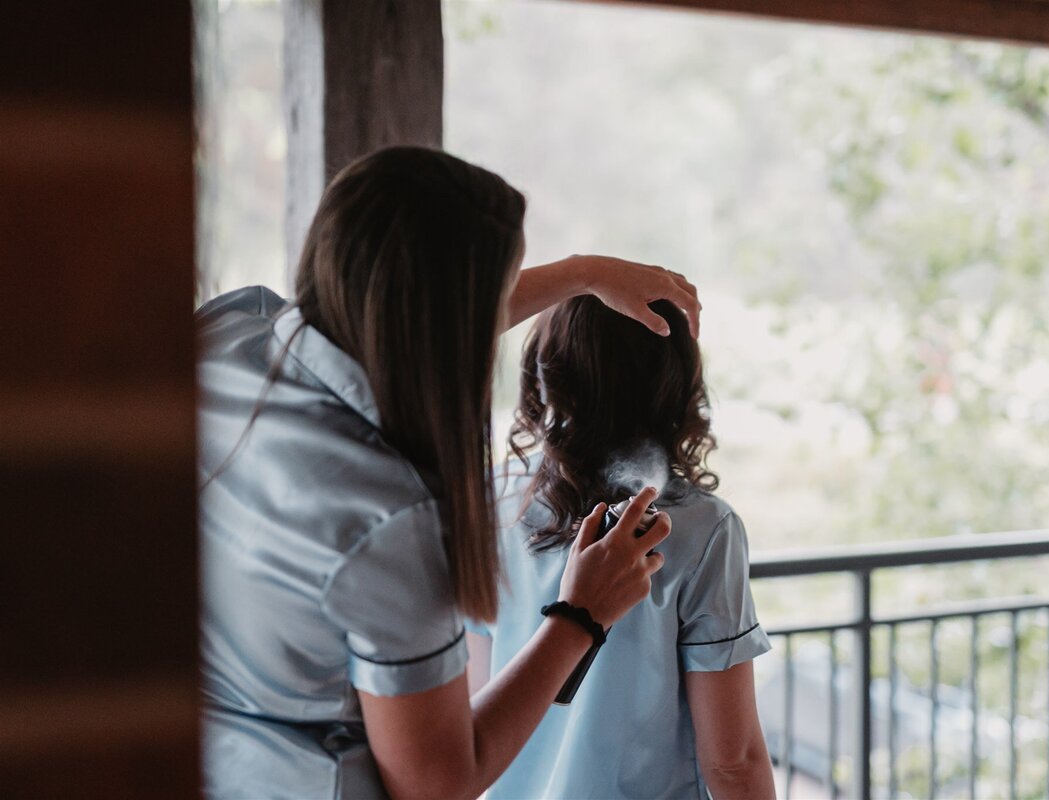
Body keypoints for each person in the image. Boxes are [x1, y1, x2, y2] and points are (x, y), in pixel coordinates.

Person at [196, 146, 703, 800]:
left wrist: (584, 274)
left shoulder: (232, 328)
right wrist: (581, 615)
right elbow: (436, 783)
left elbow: (408, 314)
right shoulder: (391, 520)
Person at [467, 295, 776, 799]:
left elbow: (474, 701)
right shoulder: (702, 529)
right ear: (672, 384)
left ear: (549, 376)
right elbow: (732, 760)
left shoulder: (491, 502)